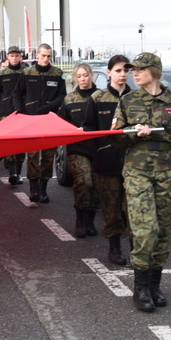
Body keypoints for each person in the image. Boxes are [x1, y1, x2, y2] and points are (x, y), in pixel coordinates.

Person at [110, 52, 171, 313]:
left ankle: (154, 284)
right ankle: (140, 287)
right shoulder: (128, 101)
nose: (134, 73)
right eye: (132, 70)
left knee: (164, 229)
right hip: (137, 170)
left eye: (140, 69)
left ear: (154, 71)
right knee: (144, 229)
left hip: (167, 171)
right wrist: (132, 132)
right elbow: (115, 137)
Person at [85, 55, 132, 265]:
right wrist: (98, 152)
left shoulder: (136, 98)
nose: (123, 74)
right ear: (110, 72)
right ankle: (114, 249)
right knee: (111, 210)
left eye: (126, 71)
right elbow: (88, 129)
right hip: (107, 164)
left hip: (133, 165)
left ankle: (136, 251)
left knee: (133, 210)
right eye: (119, 70)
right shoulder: (97, 98)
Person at [13, 43, 67, 203]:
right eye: (43, 55)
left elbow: (62, 96)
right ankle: (33, 189)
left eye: (49, 56)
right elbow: (17, 93)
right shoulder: (27, 73)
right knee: (33, 156)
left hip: (49, 119)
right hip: (31, 120)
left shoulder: (58, 74)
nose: (46, 59)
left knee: (48, 156)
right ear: (37, 55)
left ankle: (43, 190)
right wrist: (20, 112)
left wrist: (48, 108)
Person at [58, 64, 98, 237]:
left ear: (91, 76)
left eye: (85, 75)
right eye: (79, 76)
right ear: (75, 78)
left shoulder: (101, 96)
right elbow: (61, 124)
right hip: (78, 148)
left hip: (99, 148)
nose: (82, 79)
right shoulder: (70, 99)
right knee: (84, 182)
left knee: (96, 186)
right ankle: (80, 219)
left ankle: (90, 220)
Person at [0, 46, 27, 184]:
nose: (15, 58)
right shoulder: (3, 73)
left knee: (22, 145)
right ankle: (13, 172)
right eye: (12, 56)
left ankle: (18, 171)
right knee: (10, 143)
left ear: (20, 57)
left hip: (22, 112)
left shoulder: (26, 71)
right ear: (8, 57)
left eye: (17, 56)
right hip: (5, 111)